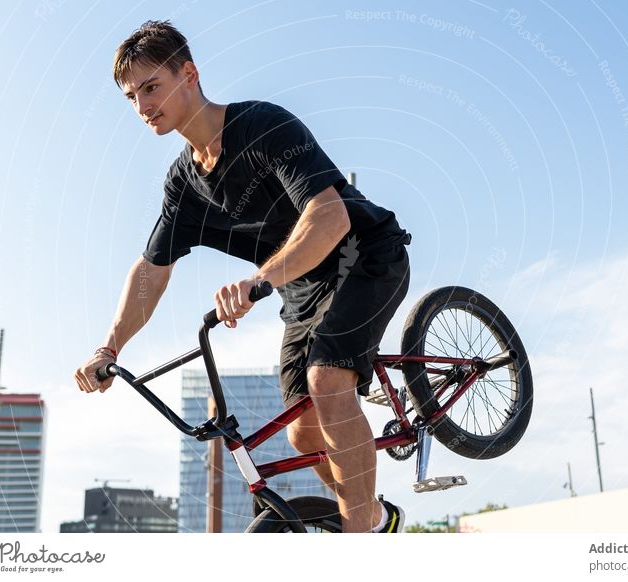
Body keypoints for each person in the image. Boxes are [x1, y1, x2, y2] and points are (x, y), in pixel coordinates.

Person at [74, 21, 411, 533]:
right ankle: (379, 516)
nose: (142, 106)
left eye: (151, 87)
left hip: (362, 257)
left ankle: (360, 537)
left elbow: (330, 216)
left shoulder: (262, 125)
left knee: (328, 381)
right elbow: (151, 271)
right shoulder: (183, 185)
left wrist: (259, 281)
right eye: (131, 97)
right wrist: (109, 349)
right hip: (301, 291)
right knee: (302, 434)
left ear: (188, 74)